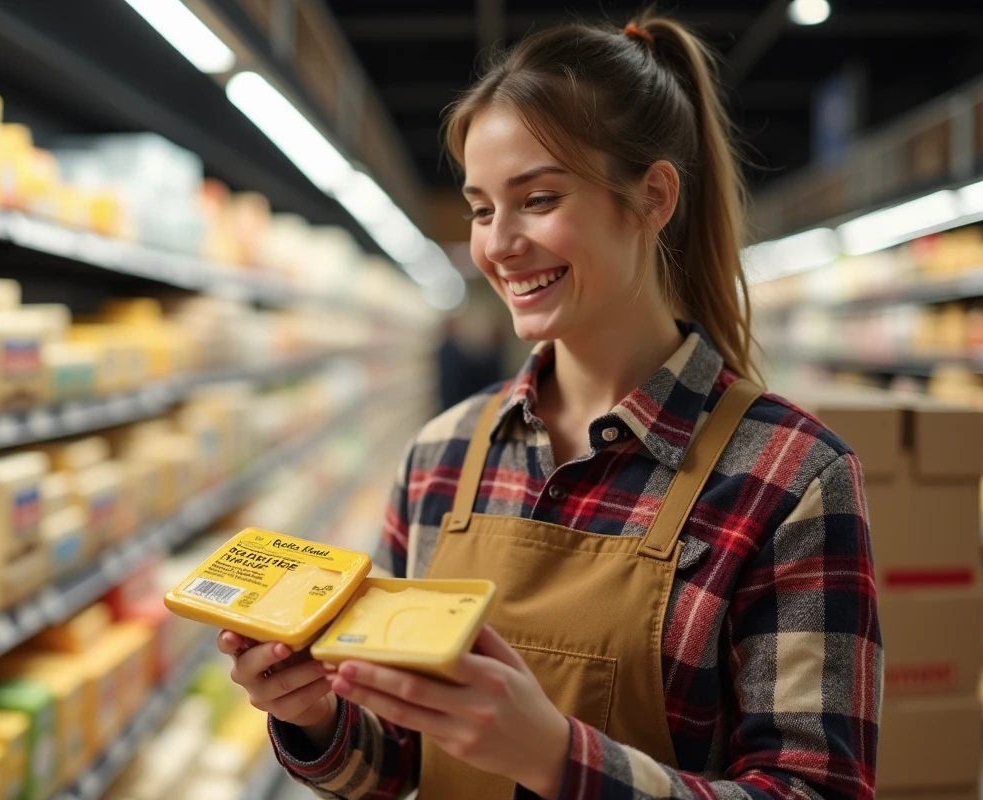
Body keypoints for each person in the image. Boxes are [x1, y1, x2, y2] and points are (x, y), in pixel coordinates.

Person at [218, 14, 880, 800]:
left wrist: (556, 758)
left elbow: (817, 790)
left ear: (653, 197)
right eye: (480, 208)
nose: (498, 245)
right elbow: (399, 758)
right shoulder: (442, 458)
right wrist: (318, 717)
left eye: (536, 199)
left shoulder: (793, 479)